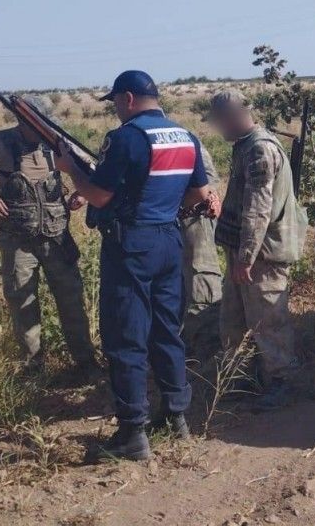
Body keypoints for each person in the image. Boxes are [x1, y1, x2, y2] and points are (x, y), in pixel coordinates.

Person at [56, 70, 218, 462]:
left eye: (114, 101)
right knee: (166, 330)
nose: (114, 108)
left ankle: (132, 434)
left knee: (125, 337)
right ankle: (176, 416)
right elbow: (198, 193)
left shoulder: (125, 137)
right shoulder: (185, 137)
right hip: (168, 241)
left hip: (131, 245)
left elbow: (97, 193)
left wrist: (70, 168)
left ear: (128, 98)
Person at [0, 95, 101, 382]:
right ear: (23, 121)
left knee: (71, 299)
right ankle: (34, 369)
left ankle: (85, 363)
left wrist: (82, 193)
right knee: (22, 302)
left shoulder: (59, 142)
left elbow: (90, 169)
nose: (43, 129)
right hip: (17, 238)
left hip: (57, 237)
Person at [204, 89, 308, 411]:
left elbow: (258, 210)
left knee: (269, 323)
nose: (218, 129)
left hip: (263, 255)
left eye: (219, 122)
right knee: (233, 320)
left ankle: (283, 383)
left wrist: (246, 257)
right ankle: (241, 380)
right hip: (246, 253)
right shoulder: (246, 146)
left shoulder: (260, 150)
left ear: (232, 116)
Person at [179, 143, 224, 358]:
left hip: (194, 220)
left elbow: (208, 183)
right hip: (164, 226)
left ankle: (208, 348)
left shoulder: (187, 141)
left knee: (202, 283)